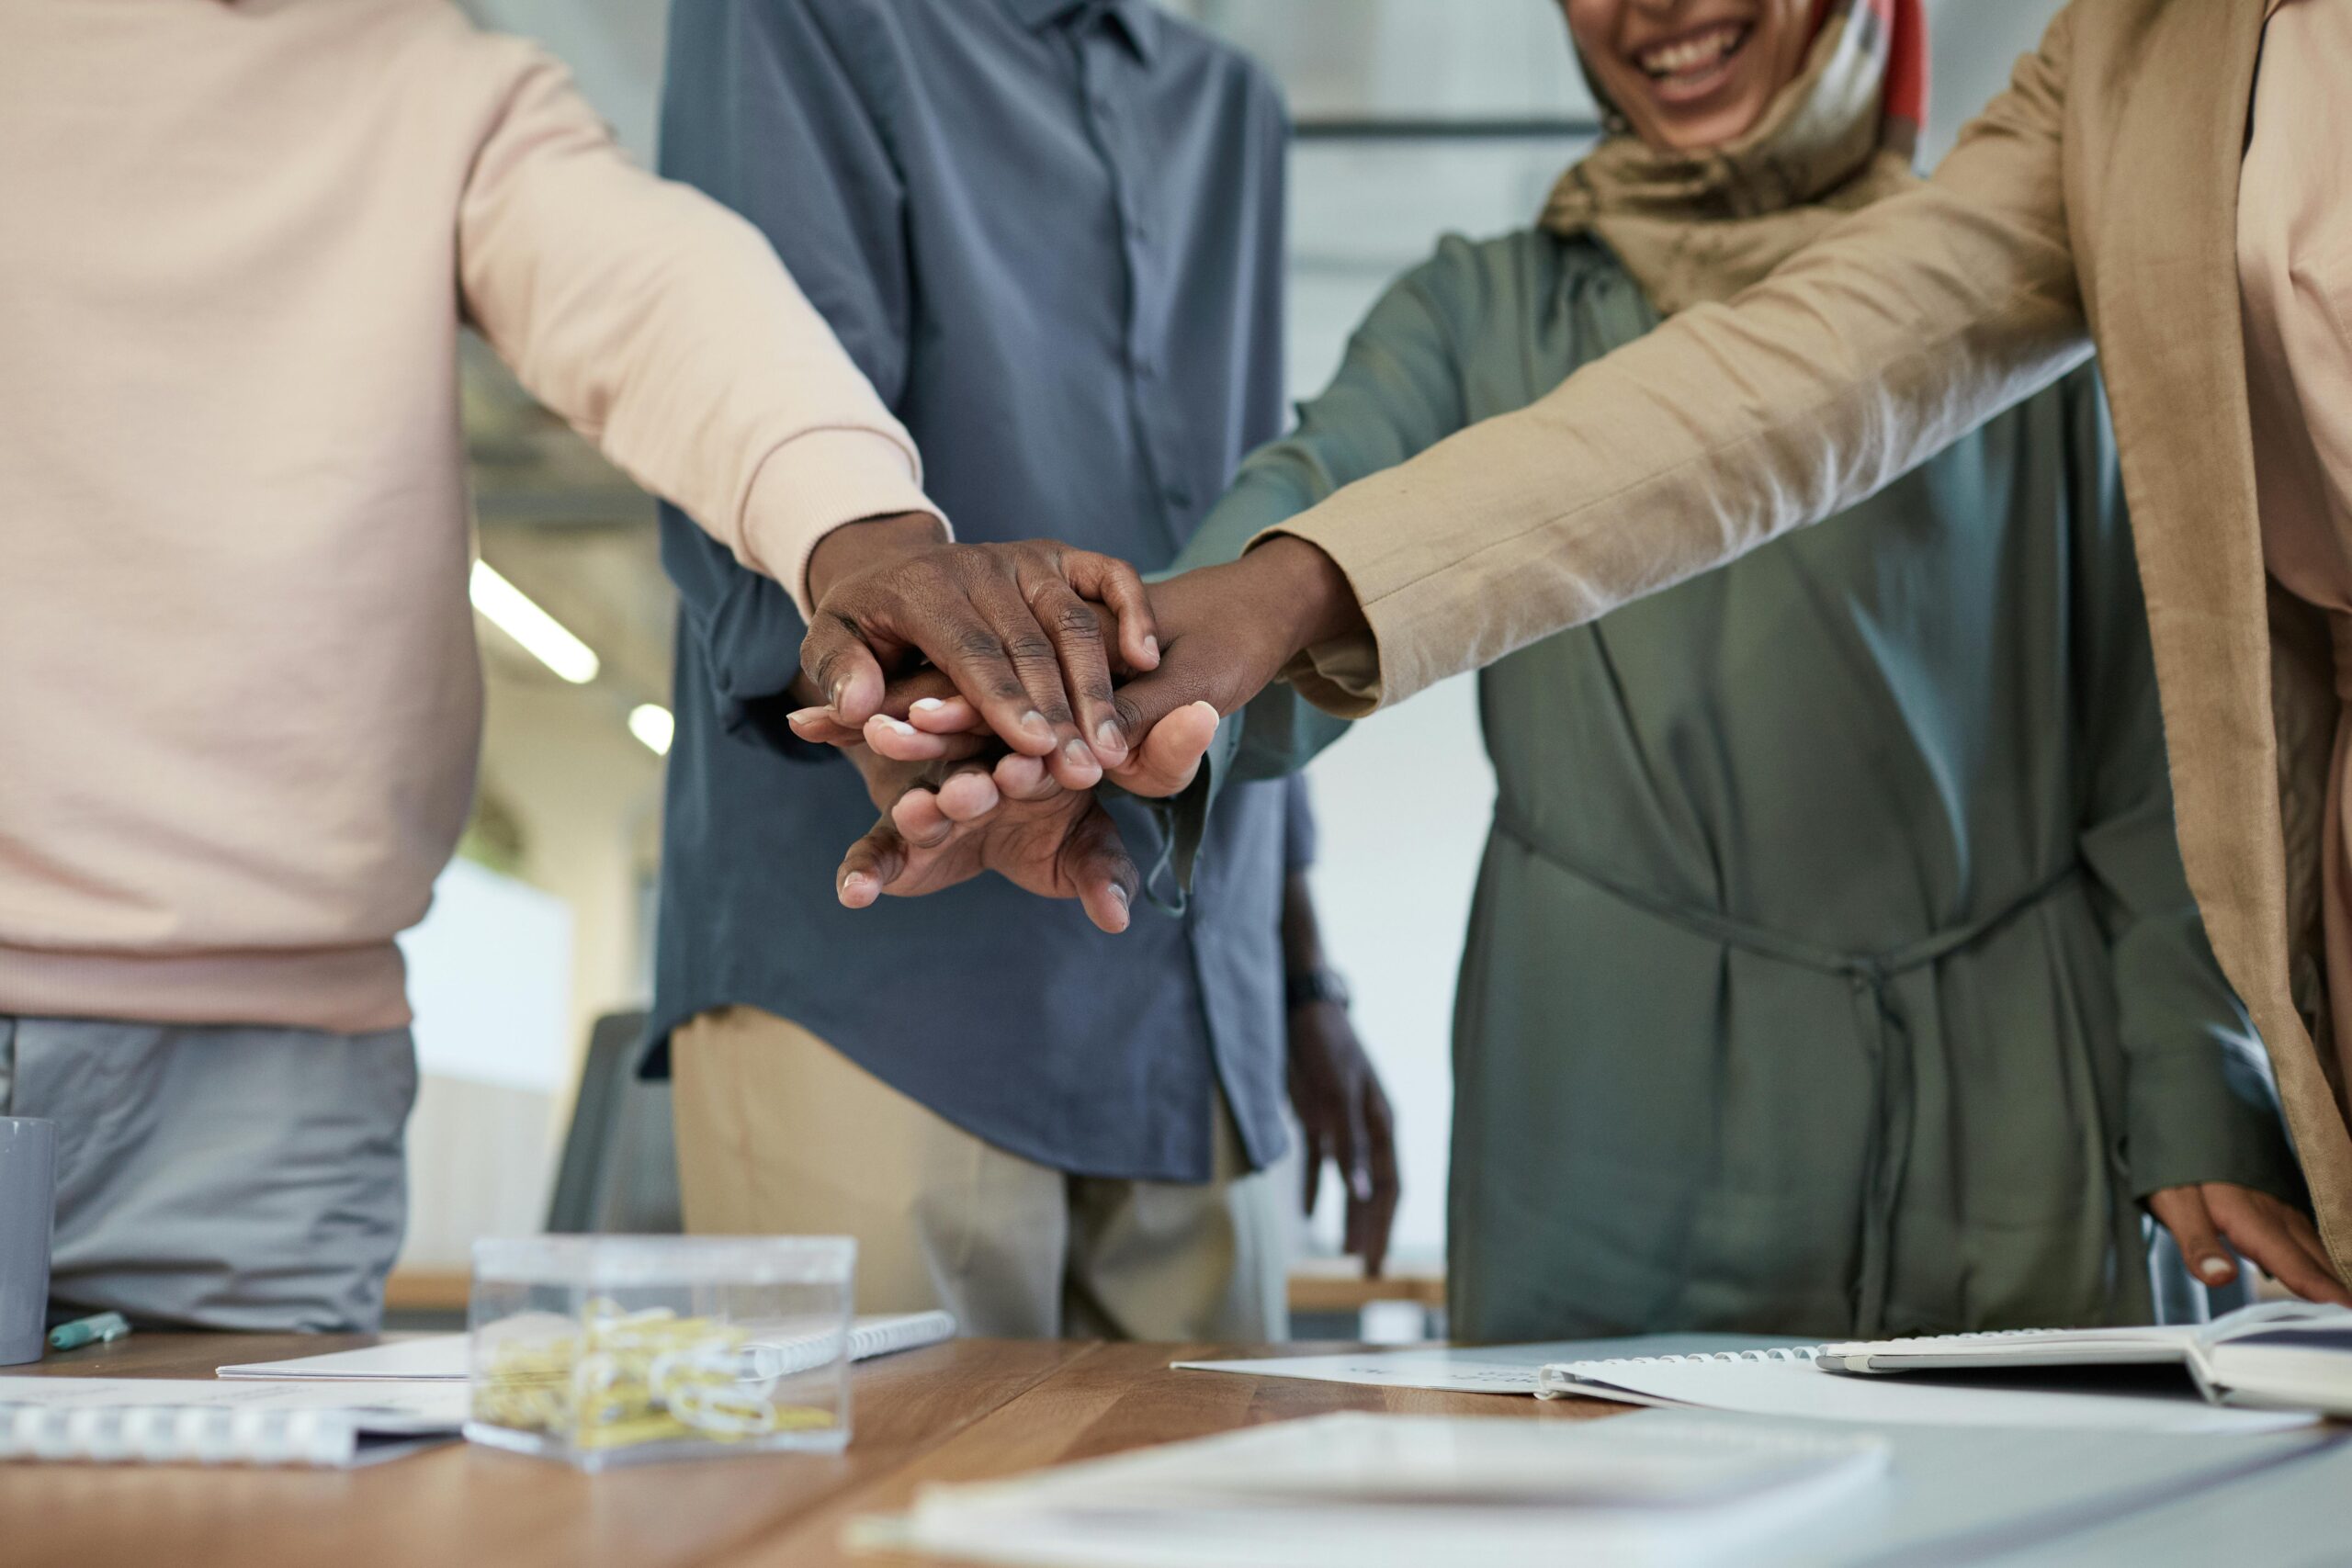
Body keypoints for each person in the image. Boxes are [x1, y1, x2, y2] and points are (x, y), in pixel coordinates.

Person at [791, 0, 2352, 1299]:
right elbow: (1281, 540)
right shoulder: (1481, 312)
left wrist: (2190, 1079)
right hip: (1612, 1077)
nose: (1657, 10)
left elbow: (2165, 738)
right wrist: (1068, 699)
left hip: (2017, 1086)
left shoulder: (2054, 303)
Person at [0, 0, 971, 1332]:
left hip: (269, 1086)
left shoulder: (436, 80)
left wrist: (865, 538)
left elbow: (655, 294)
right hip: (273, 1074)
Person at [647, 0, 1397, 1339]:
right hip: (886, 985)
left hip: (1192, 992)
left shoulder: (1231, 111)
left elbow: (1248, 554)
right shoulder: (794, 19)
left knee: (1219, 1528)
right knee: (883, 1528)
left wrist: (1299, 975)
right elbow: (751, 414)